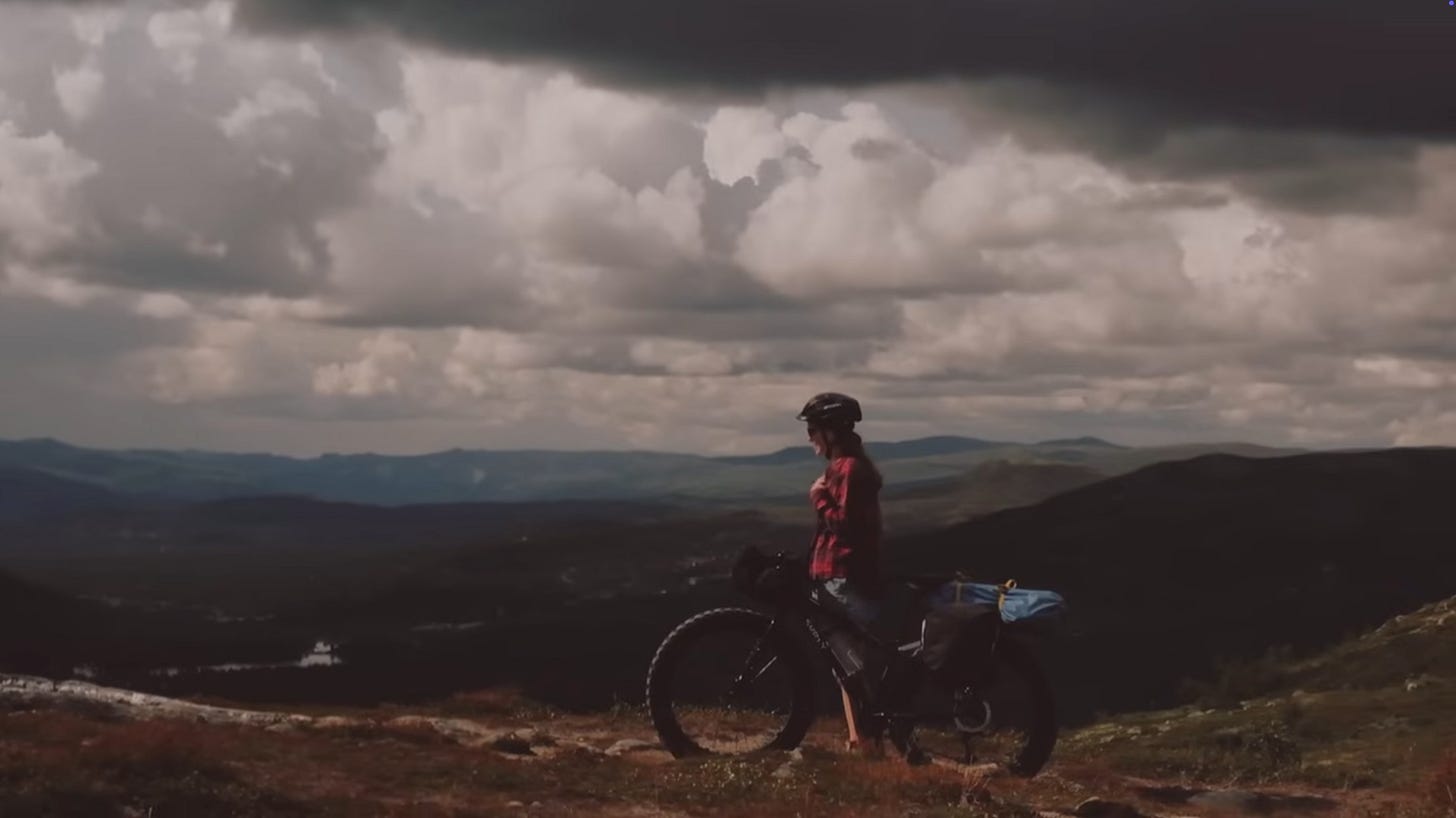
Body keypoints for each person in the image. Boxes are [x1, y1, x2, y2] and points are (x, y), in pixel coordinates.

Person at [798, 392, 885, 633]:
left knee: (853, 661)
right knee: (846, 659)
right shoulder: (847, 466)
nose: (809, 438)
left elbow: (845, 526)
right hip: (842, 579)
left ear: (831, 431)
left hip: (843, 580)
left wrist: (819, 497)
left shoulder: (847, 469)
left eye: (812, 430)